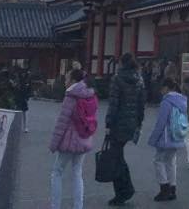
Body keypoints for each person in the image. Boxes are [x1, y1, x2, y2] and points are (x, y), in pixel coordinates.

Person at [49, 67, 97, 209]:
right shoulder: (90, 95)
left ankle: (55, 205)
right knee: (77, 173)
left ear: (74, 80)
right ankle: (78, 206)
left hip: (69, 141)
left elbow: (61, 122)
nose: (65, 81)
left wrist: (53, 144)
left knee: (57, 172)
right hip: (84, 139)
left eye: (67, 78)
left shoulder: (71, 96)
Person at [105, 53, 145, 206]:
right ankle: (124, 190)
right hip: (131, 123)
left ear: (121, 63)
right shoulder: (139, 79)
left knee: (116, 157)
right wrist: (139, 122)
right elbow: (142, 103)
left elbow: (113, 104)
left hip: (118, 123)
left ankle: (123, 191)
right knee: (118, 155)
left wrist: (108, 123)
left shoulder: (117, 79)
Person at [147, 77, 187, 202]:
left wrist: (153, 139)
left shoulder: (166, 102)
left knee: (158, 161)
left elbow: (161, 123)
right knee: (171, 162)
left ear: (166, 88)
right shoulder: (182, 100)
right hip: (177, 135)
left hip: (166, 137)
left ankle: (164, 188)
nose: (160, 90)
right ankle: (172, 188)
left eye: (162, 87)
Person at [15, 68, 33, 133]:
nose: (23, 74)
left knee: (25, 112)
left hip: (24, 97)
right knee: (18, 112)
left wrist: (28, 96)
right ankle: (18, 126)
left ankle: (25, 127)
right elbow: (15, 88)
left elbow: (30, 88)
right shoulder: (17, 78)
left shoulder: (28, 79)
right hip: (18, 97)